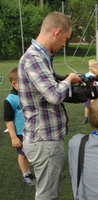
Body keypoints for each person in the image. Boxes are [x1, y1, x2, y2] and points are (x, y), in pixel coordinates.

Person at [18, 12, 81, 199]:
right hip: (44, 141)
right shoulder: (34, 58)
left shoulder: (40, 57)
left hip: (45, 139)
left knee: (49, 192)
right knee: (47, 195)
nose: (64, 45)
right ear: (57, 32)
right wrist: (69, 79)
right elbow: (54, 95)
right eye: (65, 39)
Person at [4, 67, 36, 186]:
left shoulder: (28, 95)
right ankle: (26, 174)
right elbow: (8, 121)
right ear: (14, 83)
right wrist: (13, 137)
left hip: (33, 130)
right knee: (23, 154)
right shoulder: (10, 100)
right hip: (20, 134)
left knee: (34, 151)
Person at [82, 59, 97, 125]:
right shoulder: (87, 75)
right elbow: (84, 83)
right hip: (89, 92)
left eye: (92, 66)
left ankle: (95, 118)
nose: (91, 68)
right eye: (90, 66)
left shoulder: (97, 74)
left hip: (95, 92)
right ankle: (86, 117)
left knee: (96, 105)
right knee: (87, 105)